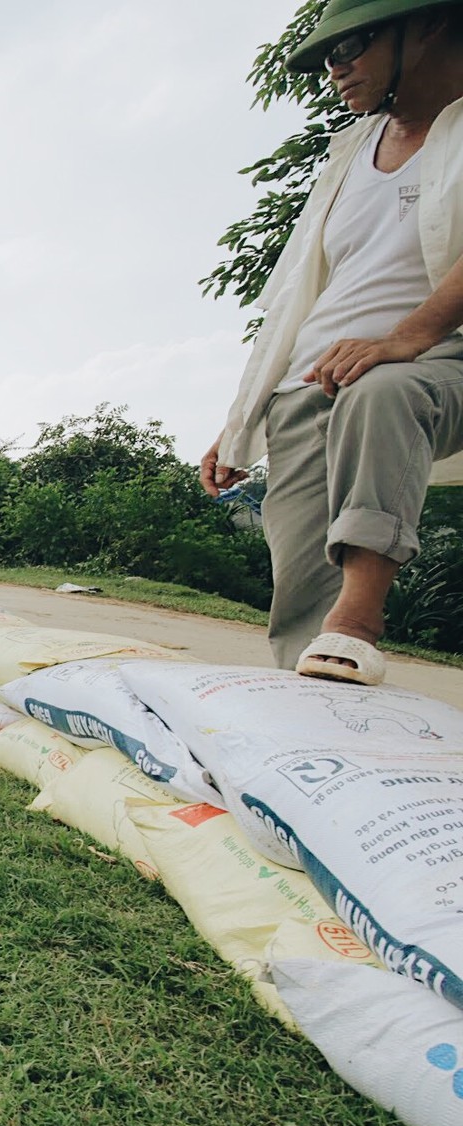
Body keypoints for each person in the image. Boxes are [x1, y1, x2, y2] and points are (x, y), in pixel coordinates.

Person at [205, 0, 463, 685]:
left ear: (429, 24)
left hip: (435, 358)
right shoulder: (347, 153)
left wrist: (406, 338)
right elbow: (294, 297)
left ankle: (360, 618)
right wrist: (240, 423)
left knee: (383, 391)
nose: (334, 66)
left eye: (354, 43)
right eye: (326, 53)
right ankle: (320, 743)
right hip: (308, 386)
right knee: (301, 616)